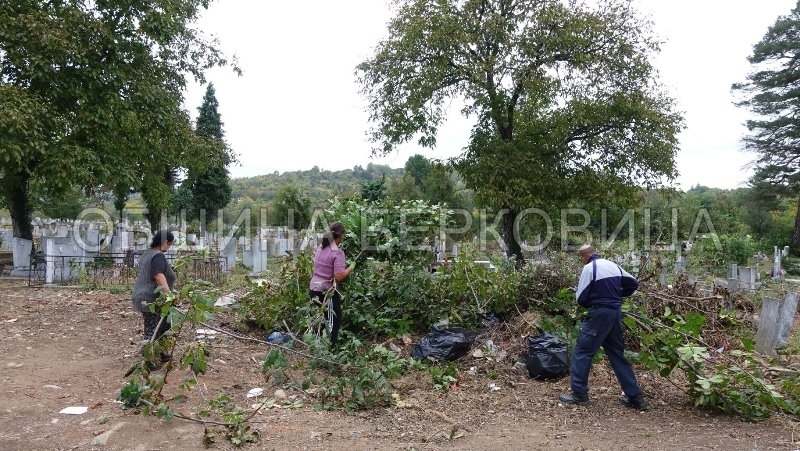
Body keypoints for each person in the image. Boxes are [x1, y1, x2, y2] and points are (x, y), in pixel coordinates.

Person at [559, 244, 648, 411]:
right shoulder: (613, 265)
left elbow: (581, 297)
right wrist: (617, 294)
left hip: (599, 313)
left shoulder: (589, 267)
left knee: (583, 351)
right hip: (615, 313)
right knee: (617, 354)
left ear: (583, 257)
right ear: (596, 253)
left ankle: (579, 394)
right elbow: (633, 283)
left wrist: (594, 298)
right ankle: (635, 397)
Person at [309, 222, 355, 349]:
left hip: (314, 289)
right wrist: (350, 268)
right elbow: (339, 276)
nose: (343, 238)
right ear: (339, 236)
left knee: (321, 319)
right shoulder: (338, 253)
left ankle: (317, 345)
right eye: (343, 236)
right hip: (325, 293)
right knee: (333, 320)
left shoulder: (321, 247)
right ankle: (329, 349)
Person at [131, 230, 176, 349]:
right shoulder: (158, 255)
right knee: (152, 330)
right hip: (151, 299)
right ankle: (148, 360)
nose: (169, 247)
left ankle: (161, 353)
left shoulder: (147, 253)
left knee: (164, 326)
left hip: (143, 295)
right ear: (166, 242)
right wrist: (169, 295)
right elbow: (158, 275)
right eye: (170, 244)